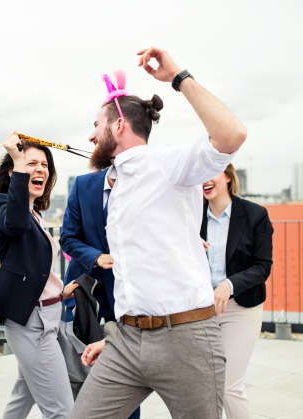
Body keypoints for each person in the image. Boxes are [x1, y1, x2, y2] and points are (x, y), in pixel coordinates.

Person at [72, 46, 247, 419]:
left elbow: (232, 134)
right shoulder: (115, 182)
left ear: (118, 125)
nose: (90, 137)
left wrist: (179, 78)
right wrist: (124, 336)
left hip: (186, 340)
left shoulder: (168, 162)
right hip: (126, 339)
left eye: (96, 125)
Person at [0, 133, 80, 419]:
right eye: (30, 163)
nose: (40, 169)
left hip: (46, 315)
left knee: (23, 398)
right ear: (14, 173)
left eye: (44, 165)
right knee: (62, 411)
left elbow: (32, 266)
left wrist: (59, 291)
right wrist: (16, 158)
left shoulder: (36, 213)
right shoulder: (5, 205)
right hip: (31, 322)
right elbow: (13, 225)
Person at [60, 165, 140, 419]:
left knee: (128, 369)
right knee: (80, 367)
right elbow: (68, 238)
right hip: (84, 291)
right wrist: (96, 258)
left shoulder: (143, 182)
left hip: (128, 294)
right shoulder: (83, 184)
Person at [201, 164, 273, 419]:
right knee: (204, 387)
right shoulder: (190, 216)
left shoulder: (255, 214)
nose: (204, 181)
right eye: (199, 175)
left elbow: (263, 266)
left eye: (211, 173)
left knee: (229, 387)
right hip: (201, 309)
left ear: (228, 178)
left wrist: (229, 285)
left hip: (241, 307)